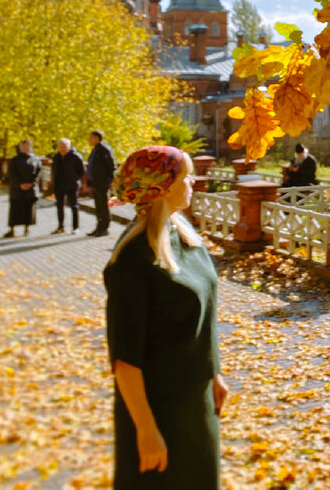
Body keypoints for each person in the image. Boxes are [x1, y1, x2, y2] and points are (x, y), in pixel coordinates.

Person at [104, 146, 226, 488]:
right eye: (185, 176)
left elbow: (206, 311)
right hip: (156, 409)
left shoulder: (186, 239)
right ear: (161, 185)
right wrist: (145, 429)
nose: (194, 182)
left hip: (197, 401)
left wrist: (213, 372)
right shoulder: (133, 260)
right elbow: (125, 359)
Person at [5, 139, 42, 238]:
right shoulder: (15, 160)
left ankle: (27, 229)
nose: (27, 148)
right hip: (17, 189)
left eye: (29, 146)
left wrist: (32, 183)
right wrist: (20, 184)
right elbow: (12, 174)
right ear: (20, 147)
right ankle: (12, 229)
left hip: (31, 189)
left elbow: (39, 173)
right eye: (25, 146)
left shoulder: (35, 160)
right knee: (15, 208)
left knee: (28, 209)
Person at [50, 138, 86, 234]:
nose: (63, 149)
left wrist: (75, 179)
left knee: (74, 206)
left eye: (65, 147)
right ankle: (60, 226)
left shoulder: (75, 156)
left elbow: (81, 171)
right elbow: (53, 170)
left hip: (72, 185)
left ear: (69, 147)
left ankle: (75, 227)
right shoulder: (56, 157)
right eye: (61, 147)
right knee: (59, 206)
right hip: (59, 185)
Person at [85, 129, 116, 237]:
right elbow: (91, 167)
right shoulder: (95, 150)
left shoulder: (104, 149)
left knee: (104, 206)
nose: (89, 140)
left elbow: (111, 166)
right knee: (98, 206)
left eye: (91, 137)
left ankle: (104, 228)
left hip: (102, 183)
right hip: (95, 183)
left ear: (97, 138)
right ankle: (99, 227)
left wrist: (110, 181)